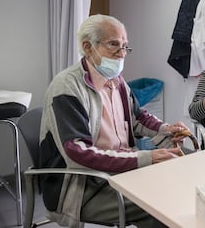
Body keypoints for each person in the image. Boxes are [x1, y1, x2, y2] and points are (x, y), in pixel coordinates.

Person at [39, 14, 188, 228]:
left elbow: (138, 117)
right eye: (113, 45)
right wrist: (145, 158)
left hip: (118, 172)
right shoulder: (67, 87)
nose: (121, 54)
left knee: (172, 187)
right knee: (158, 208)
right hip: (84, 186)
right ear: (88, 47)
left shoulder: (116, 81)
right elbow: (78, 152)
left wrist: (166, 129)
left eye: (125, 47)